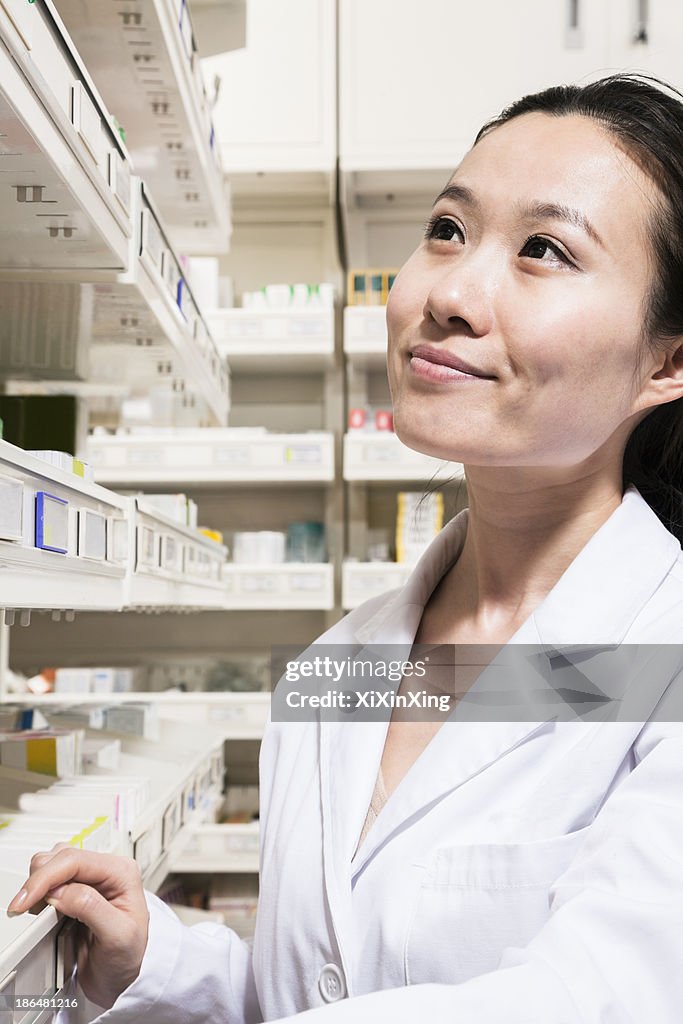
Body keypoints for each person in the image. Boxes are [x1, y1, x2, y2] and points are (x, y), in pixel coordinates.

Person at [8, 72, 683, 1023]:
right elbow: (322, 981)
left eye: (543, 249)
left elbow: (602, 999)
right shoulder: (341, 665)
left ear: (667, 360)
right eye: (448, 228)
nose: (449, 291)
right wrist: (161, 961)